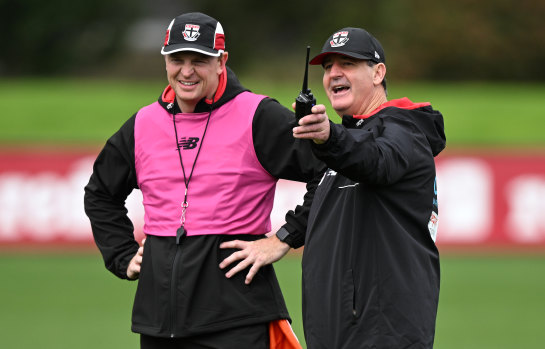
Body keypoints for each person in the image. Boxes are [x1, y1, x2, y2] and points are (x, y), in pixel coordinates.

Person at [84, 12, 324, 349]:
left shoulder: (258, 115)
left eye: (199, 60)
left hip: (238, 319)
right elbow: (99, 194)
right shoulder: (142, 124)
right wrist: (122, 255)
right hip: (159, 324)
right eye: (177, 59)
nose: (186, 71)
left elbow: (329, 172)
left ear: (221, 61)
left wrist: (284, 238)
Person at [220, 27, 446, 348]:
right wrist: (284, 237)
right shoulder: (350, 140)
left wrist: (329, 138)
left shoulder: (402, 128)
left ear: (378, 73)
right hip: (340, 330)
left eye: (348, 63)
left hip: (380, 334)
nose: (334, 74)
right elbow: (346, 170)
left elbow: (376, 161)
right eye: (327, 67)